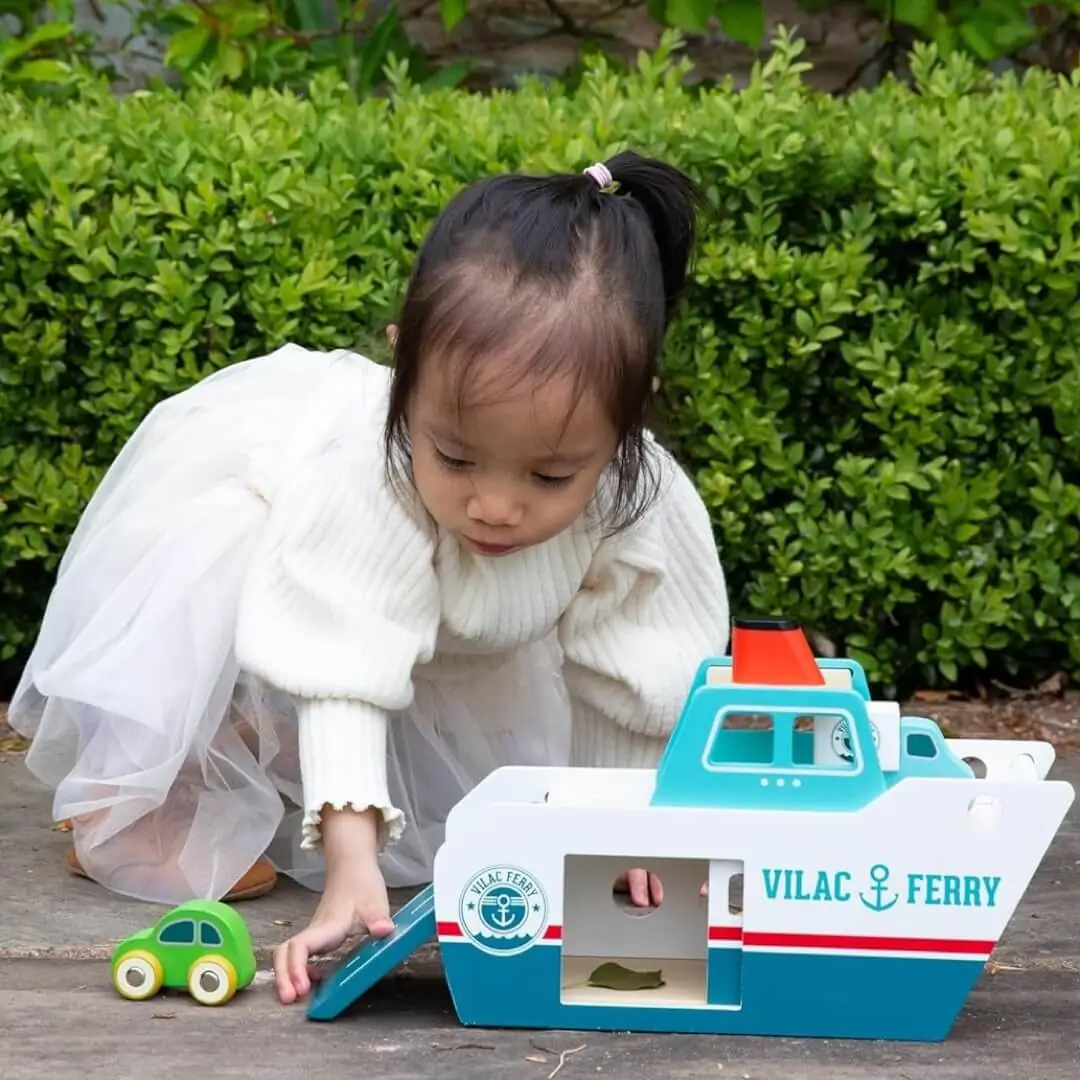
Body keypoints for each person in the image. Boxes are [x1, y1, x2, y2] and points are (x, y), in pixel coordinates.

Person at [8, 150, 731, 1005]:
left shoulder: (636, 498)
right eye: (455, 457)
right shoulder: (369, 474)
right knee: (233, 587)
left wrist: (622, 833)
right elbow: (342, 660)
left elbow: (635, 677)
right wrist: (353, 870)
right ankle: (176, 775)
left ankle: (275, 753)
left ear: (627, 419)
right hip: (281, 545)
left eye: (548, 476)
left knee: (479, 788)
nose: (495, 507)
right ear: (405, 374)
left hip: (462, 622)